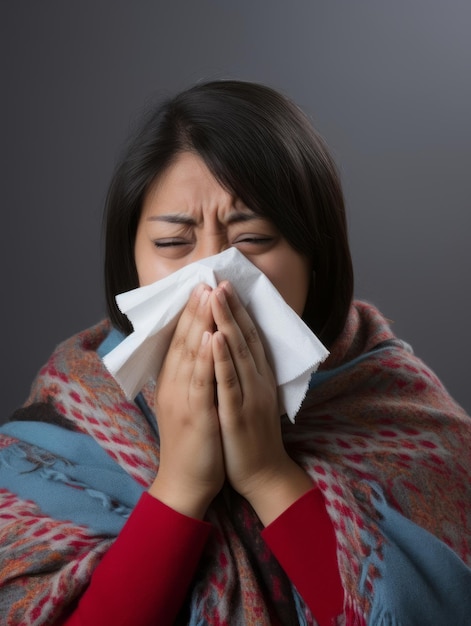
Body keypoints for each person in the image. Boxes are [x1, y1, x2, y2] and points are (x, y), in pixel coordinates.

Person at [0, 80, 470, 626]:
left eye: (252, 241)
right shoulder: (67, 422)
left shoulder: (396, 408)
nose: (213, 283)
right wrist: (180, 485)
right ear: (129, 261)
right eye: (174, 245)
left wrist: (270, 474)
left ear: (314, 255)